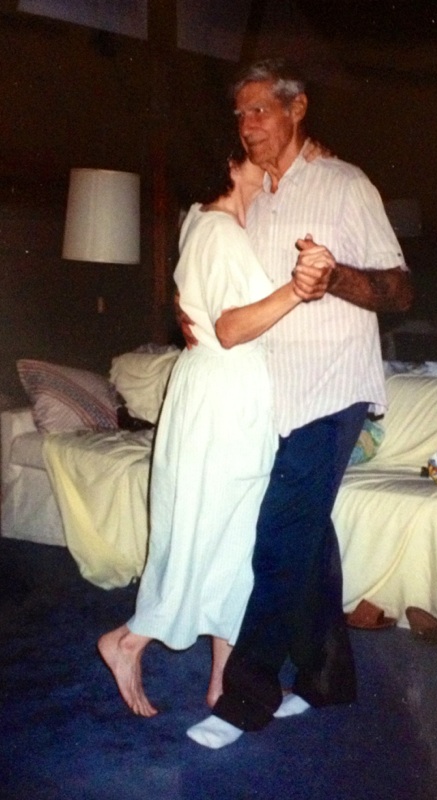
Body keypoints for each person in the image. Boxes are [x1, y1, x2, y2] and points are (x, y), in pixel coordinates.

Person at [186, 57, 414, 749]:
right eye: (240, 114)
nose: (248, 124)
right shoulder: (255, 200)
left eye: (260, 109)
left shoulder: (346, 184)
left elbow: (400, 290)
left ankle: (245, 698)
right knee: (307, 533)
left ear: (298, 109)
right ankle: (326, 681)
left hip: (333, 389)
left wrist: (335, 276)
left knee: (281, 536)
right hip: (271, 398)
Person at [97, 143, 322, 717]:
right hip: (225, 396)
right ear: (229, 164)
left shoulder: (206, 222)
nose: (271, 164)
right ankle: (128, 640)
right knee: (213, 534)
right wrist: (297, 289)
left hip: (221, 392)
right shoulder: (219, 231)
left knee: (231, 540)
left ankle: (225, 683)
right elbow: (229, 328)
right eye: (258, 155)